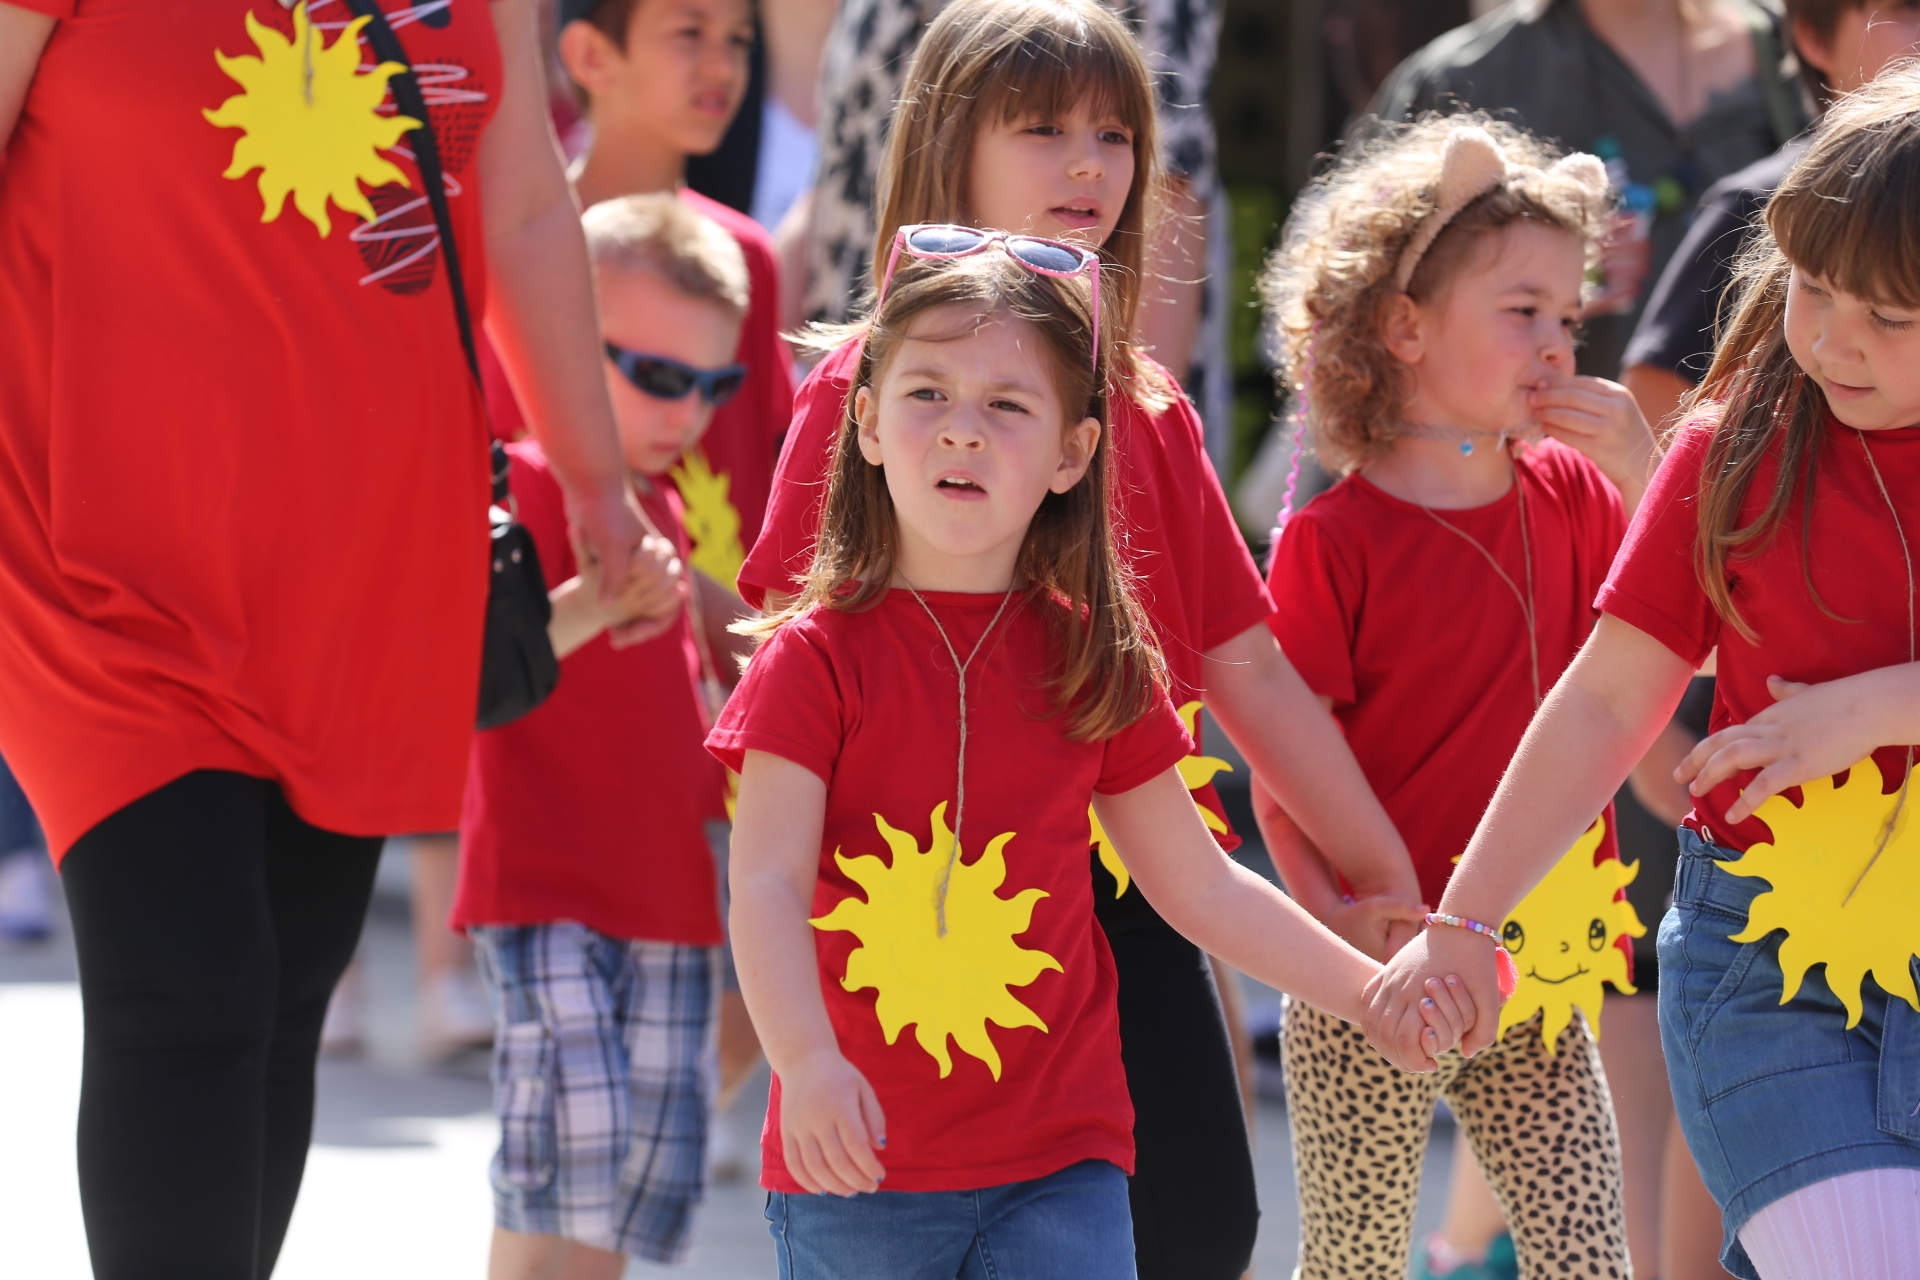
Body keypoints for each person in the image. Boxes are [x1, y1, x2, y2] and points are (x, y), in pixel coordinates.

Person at [736, 3, 1423, 1274]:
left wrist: (1382, 874)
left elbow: (1246, 661)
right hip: (911, 908)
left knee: (1202, 1221)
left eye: (1116, 132)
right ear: (950, 143)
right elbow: (789, 641)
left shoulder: (1146, 410)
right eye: (1044, 128)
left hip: (1128, 877)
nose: (1089, 162)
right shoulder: (854, 390)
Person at [0, 1, 680, 1274]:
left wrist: (593, 479)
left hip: (364, 558)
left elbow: (523, 205)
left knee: (277, 992)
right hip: (88, 544)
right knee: (191, 987)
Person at [1367, 66, 1920, 1280]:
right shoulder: (1733, 451)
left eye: (1890, 316)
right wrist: (1465, 917)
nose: (1833, 339)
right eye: (1816, 291)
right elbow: (1610, 696)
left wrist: (1882, 706)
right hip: (1772, 971)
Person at [1257, 116, 1647, 1280]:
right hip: (1371, 978)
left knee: (1589, 1256)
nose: (1556, 345)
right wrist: (1336, 922)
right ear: (1403, 325)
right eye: (1522, 311)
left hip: (1541, 967)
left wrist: (1649, 469)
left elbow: (1700, 625)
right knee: (1357, 1261)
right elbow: (1288, 759)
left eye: (1570, 319)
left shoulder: (1581, 491)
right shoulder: (1334, 538)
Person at [455, 193, 754, 1280]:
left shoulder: (662, 508)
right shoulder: (524, 483)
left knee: (611, 1201)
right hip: (546, 885)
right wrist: (594, 599)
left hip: (668, 893)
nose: (688, 410)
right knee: (560, 1156)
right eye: (659, 375)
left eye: (711, 385)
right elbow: (482, 672)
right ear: (564, 346)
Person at [1370, 0, 1804, 382]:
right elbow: (1356, 289)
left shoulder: (1805, 41)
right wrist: (1540, 278)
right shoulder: (1463, 78)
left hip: (1766, 448)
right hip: (1542, 456)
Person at [554, 0, 795, 590]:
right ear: (591, 55)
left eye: (739, 40)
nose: (723, 66)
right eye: (690, 33)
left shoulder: (747, 252)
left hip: (733, 646)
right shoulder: (537, 254)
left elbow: (776, 463)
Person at [1622, 0, 1920, 433]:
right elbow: (1650, 413)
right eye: (1909, 8)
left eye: (1890, 313)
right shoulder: (1758, 203)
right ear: (1815, 39)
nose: (1834, 349)